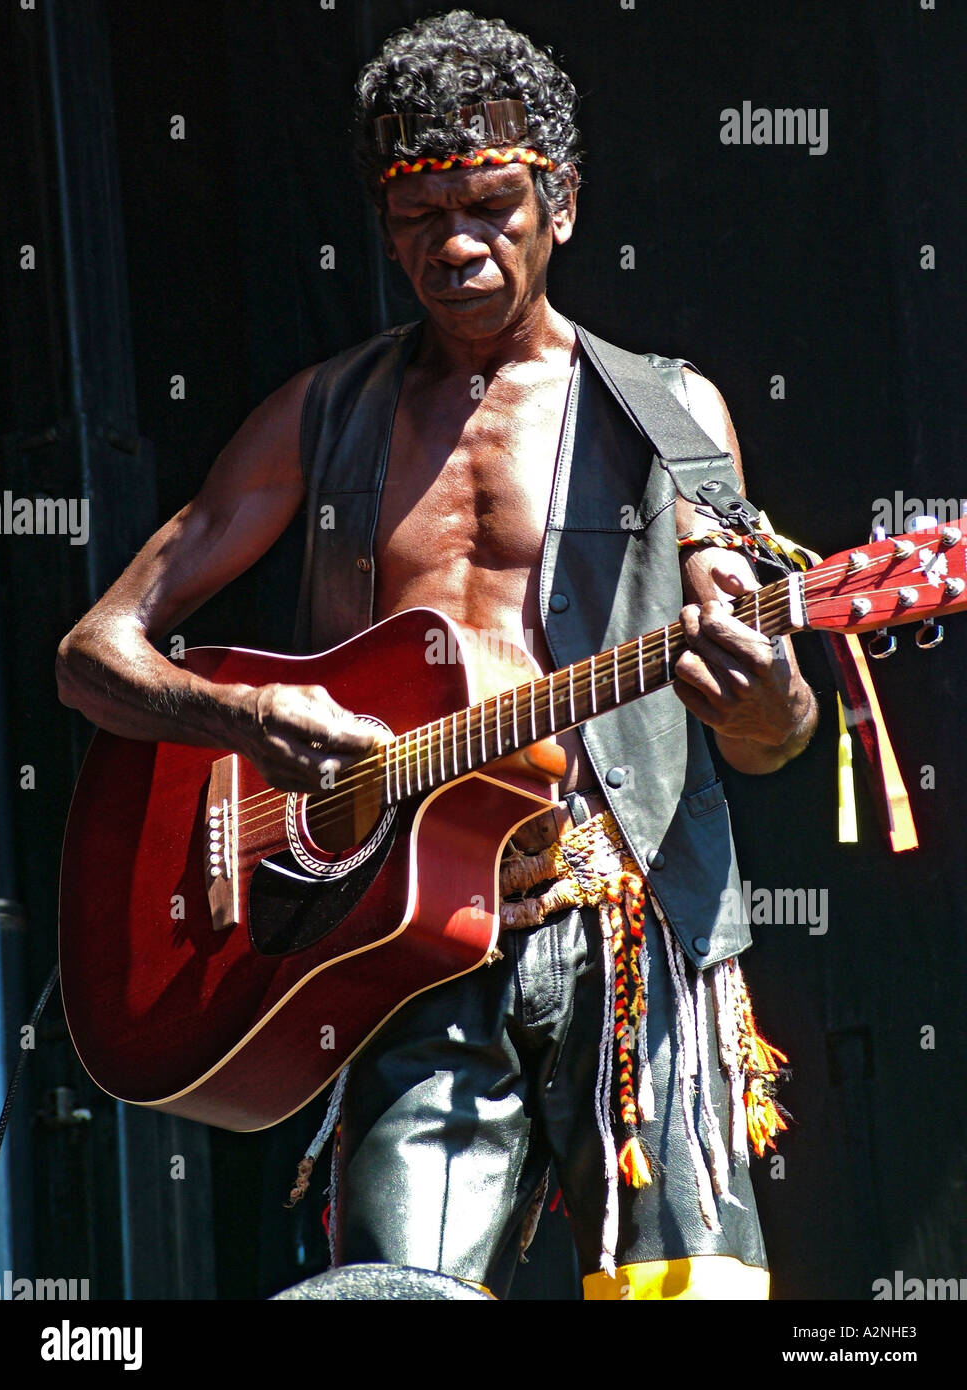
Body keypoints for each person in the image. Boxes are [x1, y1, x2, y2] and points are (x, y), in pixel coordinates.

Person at [56, 10, 817, 1300]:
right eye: (417, 219)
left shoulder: (668, 414)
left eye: (490, 205)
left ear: (560, 205)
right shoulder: (319, 412)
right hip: (401, 938)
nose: (453, 244)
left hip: (624, 924)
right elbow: (93, 657)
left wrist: (772, 692)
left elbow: (766, 733)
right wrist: (250, 726)